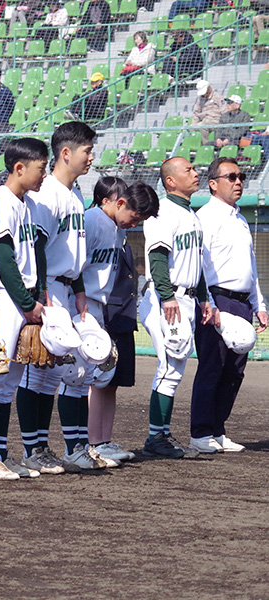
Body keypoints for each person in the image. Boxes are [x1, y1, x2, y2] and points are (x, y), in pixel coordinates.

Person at [14, 122, 98, 475]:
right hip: (47, 287)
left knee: (52, 374)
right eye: (86, 151)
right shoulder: (47, 193)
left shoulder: (74, 194)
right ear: (66, 153)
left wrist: (79, 292)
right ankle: (33, 448)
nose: (91, 157)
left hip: (65, 287)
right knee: (37, 372)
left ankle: (50, 447)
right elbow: (36, 248)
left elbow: (72, 252)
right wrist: (42, 297)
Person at [0, 138, 48, 481]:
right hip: (5, 298)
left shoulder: (26, 204)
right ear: (19, 168)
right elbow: (4, 260)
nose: (43, 174)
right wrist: (28, 304)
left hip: (20, 299)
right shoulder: (0, 202)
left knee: (8, 383)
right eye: (40, 168)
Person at [190, 158, 268, 453]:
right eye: (231, 177)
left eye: (242, 176)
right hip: (217, 299)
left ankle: (218, 429)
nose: (239, 182)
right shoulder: (205, 218)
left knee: (235, 370)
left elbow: (250, 266)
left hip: (243, 301)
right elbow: (200, 266)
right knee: (213, 366)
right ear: (213, 183)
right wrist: (208, 303)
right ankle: (200, 431)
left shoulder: (240, 219)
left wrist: (259, 303)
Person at [84, 180, 160, 466]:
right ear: (119, 203)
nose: (134, 223)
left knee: (110, 381)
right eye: (135, 217)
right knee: (93, 381)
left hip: (112, 312)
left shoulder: (117, 230)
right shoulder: (92, 222)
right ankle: (92, 442)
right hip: (92, 311)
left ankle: (103, 440)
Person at [139, 157, 211, 459]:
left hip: (186, 298)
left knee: (175, 367)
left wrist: (205, 298)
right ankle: (156, 437)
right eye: (189, 170)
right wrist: (168, 296)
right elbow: (156, 257)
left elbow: (197, 263)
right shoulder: (162, 212)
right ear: (170, 181)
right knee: (170, 365)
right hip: (165, 298)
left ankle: (162, 434)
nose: (196, 173)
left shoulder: (190, 213)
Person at [192, 80, 225, 146]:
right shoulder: (200, 99)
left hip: (215, 120)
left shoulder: (218, 97)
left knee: (203, 126)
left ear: (209, 88)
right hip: (204, 120)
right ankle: (194, 146)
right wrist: (193, 124)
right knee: (191, 128)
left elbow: (224, 111)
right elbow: (196, 112)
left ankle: (206, 145)